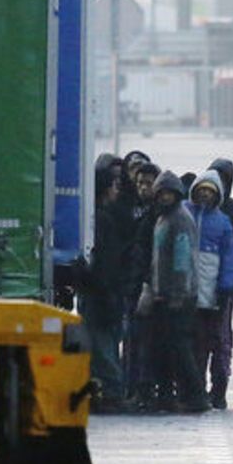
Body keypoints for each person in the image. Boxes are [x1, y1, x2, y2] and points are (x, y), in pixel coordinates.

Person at [139, 171, 208, 413]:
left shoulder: (179, 219)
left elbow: (181, 261)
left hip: (178, 297)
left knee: (180, 348)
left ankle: (196, 395)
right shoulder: (164, 219)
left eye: (169, 193)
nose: (165, 197)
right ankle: (167, 394)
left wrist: (176, 294)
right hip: (164, 295)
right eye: (162, 193)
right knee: (165, 348)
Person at [186, 170, 233, 409]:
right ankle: (196, 389)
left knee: (217, 343)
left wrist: (225, 287)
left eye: (210, 190)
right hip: (191, 295)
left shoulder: (222, 223)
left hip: (214, 295)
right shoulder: (186, 215)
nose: (205, 194)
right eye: (202, 190)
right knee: (196, 344)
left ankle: (218, 391)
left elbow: (229, 259)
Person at [80, 158, 129, 413]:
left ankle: (108, 393)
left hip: (96, 293)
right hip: (103, 294)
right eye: (113, 185)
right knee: (104, 347)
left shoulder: (93, 219)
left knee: (102, 346)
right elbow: (108, 264)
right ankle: (111, 393)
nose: (117, 189)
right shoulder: (103, 220)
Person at [123, 162, 161, 408]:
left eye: (149, 183)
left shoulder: (159, 214)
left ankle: (146, 388)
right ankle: (133, 388)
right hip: (133, 284)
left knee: (148, 341)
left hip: (152, 286)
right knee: (133, 340)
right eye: (140, 183)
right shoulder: (129, 212)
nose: (144, 188)